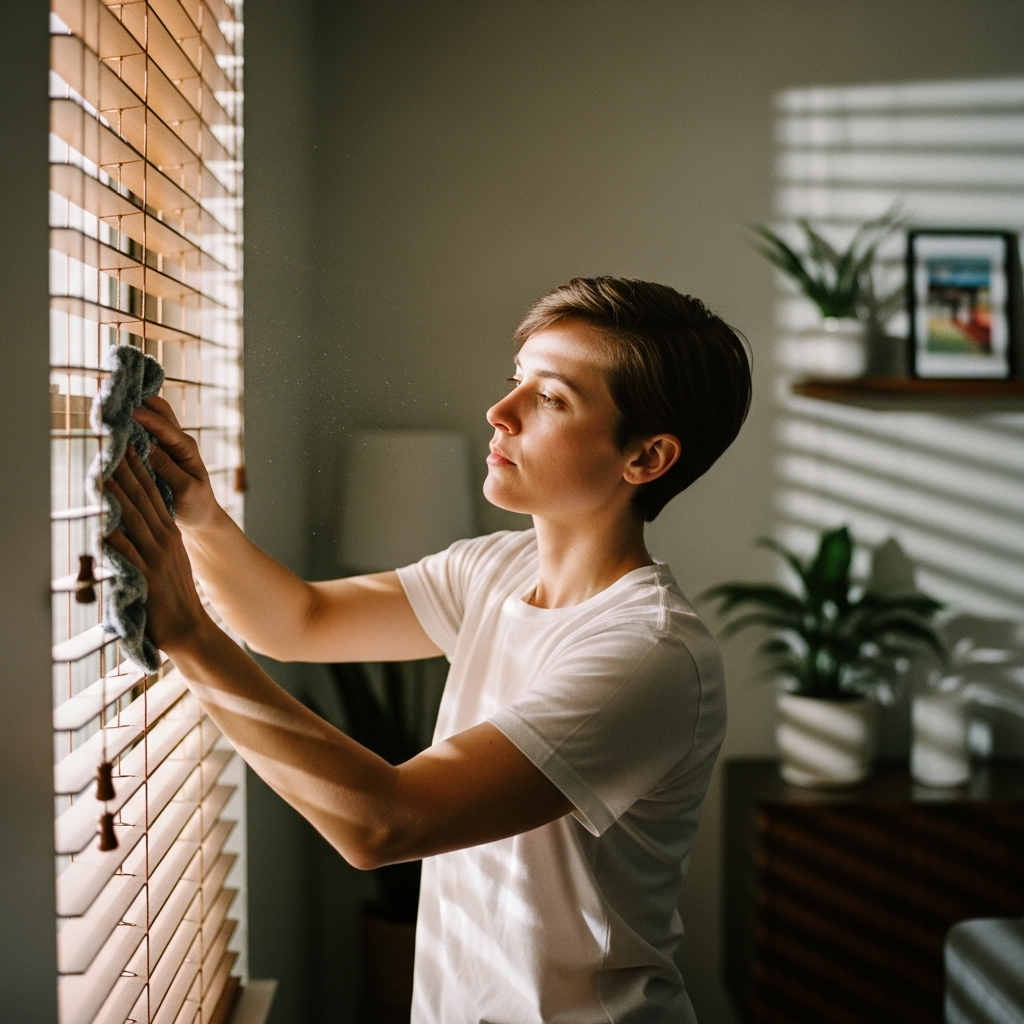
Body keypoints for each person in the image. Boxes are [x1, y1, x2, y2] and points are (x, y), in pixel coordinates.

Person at [107, 276, 751, 1023]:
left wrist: (187, 632)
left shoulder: (649, 654)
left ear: (646, 458)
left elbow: (386, 823)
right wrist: (196, 510)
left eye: (551, 399)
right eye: (516, 381)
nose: (500, 412)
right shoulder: (495, 569)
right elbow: (296, 622)